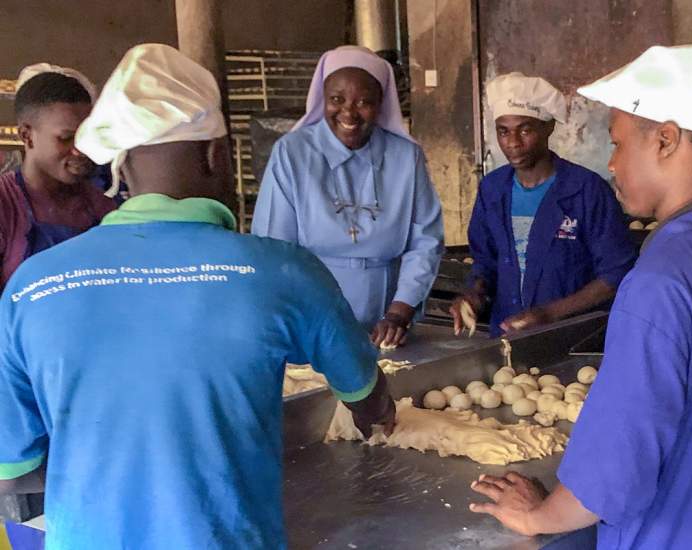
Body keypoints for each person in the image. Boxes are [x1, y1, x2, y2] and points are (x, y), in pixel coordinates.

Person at [0, 44, 395, 550]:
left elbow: (13, 469)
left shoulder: (32, 286)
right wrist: (376, 416)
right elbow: (366, 395)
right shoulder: (285, 270)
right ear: (216, 153)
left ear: (121, 166)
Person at [469, 45, 692, 550]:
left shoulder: (661, 278)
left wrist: (542, 514)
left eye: (619, 143)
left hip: (681, 530)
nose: (612, 163)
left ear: (666, 140)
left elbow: (618, 464)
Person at [252, 45, 444, 349]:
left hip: (388, 322)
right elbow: (275, 248)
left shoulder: (407, 157)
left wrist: (399, 312)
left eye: (364, 101)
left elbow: (426, 240)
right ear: (321, 99)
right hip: (311, 317)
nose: (349, 113)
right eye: (336, 100)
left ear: (382, 103)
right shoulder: (292, 153)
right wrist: (305, 318)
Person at [450, 72, 635, 337]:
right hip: (505, 337)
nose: (513, 143)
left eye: (525, 129)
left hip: (571, 339)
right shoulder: (492, 190)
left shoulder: (587, 191)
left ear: (548, 127)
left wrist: (550, 314)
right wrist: (473, 296)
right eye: (503, 131)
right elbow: (485, 261)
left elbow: (616, 274)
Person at [0, 64, 116, 291]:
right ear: (27, 135)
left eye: (85, 136)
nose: (80, 149)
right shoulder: (5, 205)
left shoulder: (102, 206)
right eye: (66, 138)